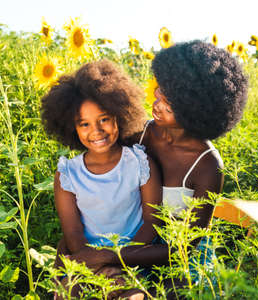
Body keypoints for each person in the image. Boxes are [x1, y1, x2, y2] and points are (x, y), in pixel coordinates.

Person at [67, 40, 248, 297]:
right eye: (160, 90)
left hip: (175, 259)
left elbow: (183, 249)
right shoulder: (139, 133)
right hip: (130, 239)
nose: (156, 103)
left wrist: (110, 258)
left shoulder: (207, 166)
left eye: (169, 105)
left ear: (195, 113)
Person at [40, 59, 162, 299]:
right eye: (84, 124)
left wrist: (119, 263)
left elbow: (152, 223)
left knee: (132, 295)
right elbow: (73, 233)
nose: (95, 130)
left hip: (134, 260)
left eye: (104, 119)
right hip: (86, 262)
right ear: (71, 128)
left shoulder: (139, 163)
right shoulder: (68, 173)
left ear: (119, 115)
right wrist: (96, 268)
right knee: (68, 293)